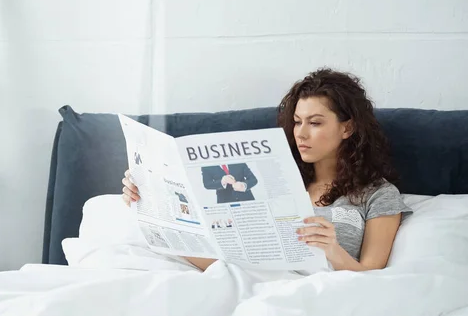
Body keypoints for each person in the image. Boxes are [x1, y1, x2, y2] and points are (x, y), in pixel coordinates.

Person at [121, 68, 412, 272]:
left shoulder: (378, 194)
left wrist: (333, 251)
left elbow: (374, 274)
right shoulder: (272, 178)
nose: (301, 133)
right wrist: (148, 195)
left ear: (347, 127)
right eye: (297, 122)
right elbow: (226, 260)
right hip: (245, 284)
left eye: (315, 122)